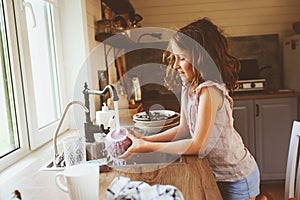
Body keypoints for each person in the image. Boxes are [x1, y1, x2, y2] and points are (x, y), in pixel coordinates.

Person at [119, 17, 260, 200]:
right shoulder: (188, 87)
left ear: (202, 59)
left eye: (182, 58)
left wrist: (146, 146)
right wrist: (146, 139)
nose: (176, 65)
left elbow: (198, 145)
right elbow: (184, 129)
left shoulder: (209, 91)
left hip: (236, 177)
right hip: (216, 174)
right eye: (175, 58)